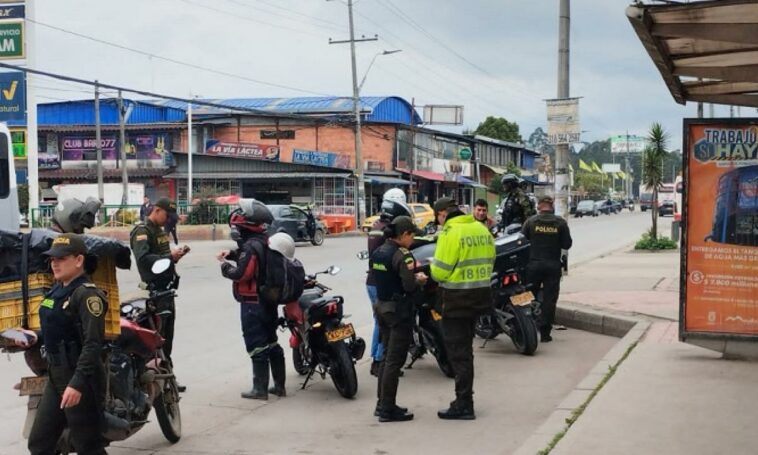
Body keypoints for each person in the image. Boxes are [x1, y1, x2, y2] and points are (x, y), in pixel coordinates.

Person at [26, 234, 108, 454]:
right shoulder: (56, 290)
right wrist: (33, 338)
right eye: (52, 259)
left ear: (79, 260)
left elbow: (93, 344)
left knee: (87, 446)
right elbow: (56, 330)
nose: (54, 263)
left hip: (81, 379)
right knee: (39, 443)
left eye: (61, 258)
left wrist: (78, 383)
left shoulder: (88, 295)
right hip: (57, 377)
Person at [430, 197, 495, 420]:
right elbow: (491, 260)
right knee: (466, 350)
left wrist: (431, 267)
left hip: (457, 300)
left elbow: (439, 272)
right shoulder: (481, 228)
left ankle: (464, 403)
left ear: (442, 214)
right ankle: (465, 399)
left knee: (459, 354)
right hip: (480, 297)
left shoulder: (449, 233)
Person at [218, 199, 287, 400]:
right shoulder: (267, 241)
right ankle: (279, 387)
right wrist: (231, 254)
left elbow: (242, 274)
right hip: (268, 300)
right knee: (272, 341)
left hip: (252, 303)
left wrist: (224, 266)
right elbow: (251, 259)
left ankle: (260, 389)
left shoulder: (250, 247)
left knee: (256, 345)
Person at [371, 216, 427, 422]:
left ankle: (381, 403)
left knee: (386, 357)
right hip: (398, 312)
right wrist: (419, 280)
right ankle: (387, 408)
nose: (413, 239)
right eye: (412, 235)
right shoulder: (403, 255)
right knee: (395, 360)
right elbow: (409, 285)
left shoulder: (378, 252)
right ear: (404, 234)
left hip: (382, 307)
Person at [130, 197, 188, 390]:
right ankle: (153, 380)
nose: (168, 220)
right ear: (156, 210)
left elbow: (163, 261)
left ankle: (167, 378)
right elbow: (144, 259)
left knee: (167, 339)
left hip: (167, 291)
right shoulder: (142, 232)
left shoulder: (159, 231)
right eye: (167, 215)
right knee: (156, 339)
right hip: (154, 293)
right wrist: (168, 257)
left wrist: (174, 257)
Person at [365, 188, 409, 377]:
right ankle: (379, 361)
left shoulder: (377, 225)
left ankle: (380, 359)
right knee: (384, 321)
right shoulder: (388, 230)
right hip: (381, 281)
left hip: (373, 280)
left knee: (380, 320)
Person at [522, 196, 573, 342]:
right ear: (552, 206)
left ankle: (525, 325)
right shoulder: (560, 223)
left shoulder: (531, 222)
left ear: (539, 206)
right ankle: (545, 333)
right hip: (552, 266)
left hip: (533, 266)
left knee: (526, 295)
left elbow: (522, 241)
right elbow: (567, 244)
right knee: (550, 300)